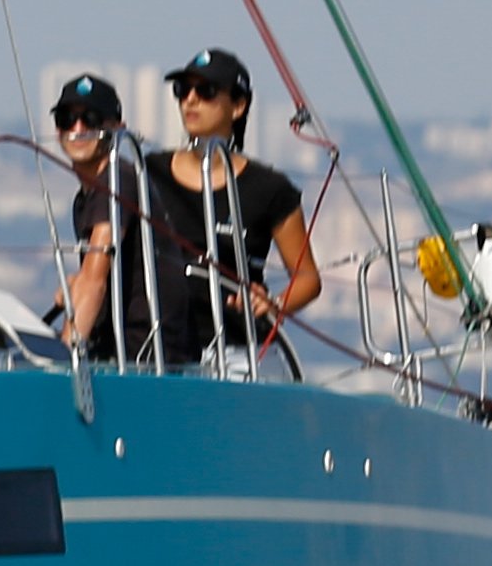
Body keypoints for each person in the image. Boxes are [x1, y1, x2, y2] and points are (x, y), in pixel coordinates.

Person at [157, 47, 321, 367]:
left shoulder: (270, 189)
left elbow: (308, 278)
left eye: (205, 91)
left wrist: (273, 304)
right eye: (182, 90)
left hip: (238, 353)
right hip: (163, 348)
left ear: (238, 106)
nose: (190, 100)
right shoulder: (149, 173)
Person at [48, 74, 185, 367]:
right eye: (66, 119)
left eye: (92, 119)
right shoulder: (86, 197)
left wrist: (60, 366)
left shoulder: (115, 179)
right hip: (118, 347)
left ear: (116, 128)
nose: (78, 128)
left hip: (147, 356)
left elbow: (94, 279)